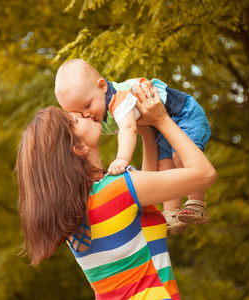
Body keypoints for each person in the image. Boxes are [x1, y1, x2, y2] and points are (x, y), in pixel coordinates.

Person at [16, 83, 217, 300]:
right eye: (75, 120)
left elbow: (142, 197)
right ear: (79, 148)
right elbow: (205, 174)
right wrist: (162, 120)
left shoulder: (75, 214)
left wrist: (148, 134)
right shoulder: (118, 190)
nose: (84, 114)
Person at [55, 59, 212, 236]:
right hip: (160, 128)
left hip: (183, 114)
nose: (87, 115)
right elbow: (151, 170)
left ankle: (196, 203)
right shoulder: (100, 116)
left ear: (102, 87)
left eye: (87, 106)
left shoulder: (119, 99)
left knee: (179, 158)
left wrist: (122, 158)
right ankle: (171, 213)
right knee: (165, 166)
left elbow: (129, 128)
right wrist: (149, 131)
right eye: (79, 114)